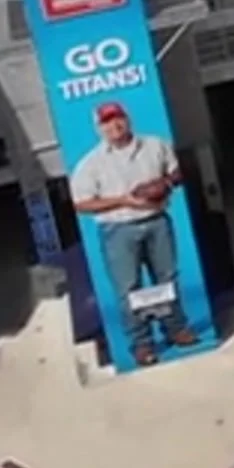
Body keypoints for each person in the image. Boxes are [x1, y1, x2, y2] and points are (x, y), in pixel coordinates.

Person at [70, 102, 194, 356]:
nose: (114, 126)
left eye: (118, 119)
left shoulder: (155, 145)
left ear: (128, 119)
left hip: (157, 221)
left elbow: (178, 172)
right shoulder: (90, 164)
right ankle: (142, 343)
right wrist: (123, 200)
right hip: (119, 230)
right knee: (129, 289)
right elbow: (81, 203)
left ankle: (175, 328)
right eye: (107, 122)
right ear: (99, 128)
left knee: (167, 278)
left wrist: (165, 183)